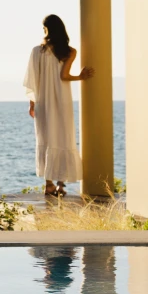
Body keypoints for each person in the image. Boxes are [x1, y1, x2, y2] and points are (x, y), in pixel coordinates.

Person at [23, 14, 95, 197]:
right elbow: (64, 76)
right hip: (62, 101)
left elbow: (33, 81)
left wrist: (32, 104)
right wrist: (81, 76)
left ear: (46, 30)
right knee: (64, 137)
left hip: (43, 103)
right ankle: (61, 185)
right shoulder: (69, 51)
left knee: (45, 140)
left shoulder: (36, 51)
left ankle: (48, 185)